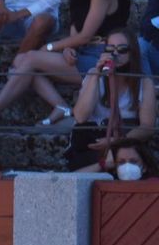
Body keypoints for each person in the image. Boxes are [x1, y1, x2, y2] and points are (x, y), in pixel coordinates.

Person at [0, 0, 129, 127]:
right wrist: (68, 49)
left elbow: (85, 36)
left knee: (29, 59)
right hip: (82, 52)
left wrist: (50, 47)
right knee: (21, 61)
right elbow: (75, 33)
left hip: (101, 57)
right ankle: (61, 106)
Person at [66, 30, 155, 170]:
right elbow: (80, 116)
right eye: (110, 49)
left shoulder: (144, 83)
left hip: (126, 143)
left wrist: (116, 142)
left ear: (132, 53)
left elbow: (147, 127)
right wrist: (96, 74)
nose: (115, 54)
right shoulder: (93, 75)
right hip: (93, 144)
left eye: (122, 49)